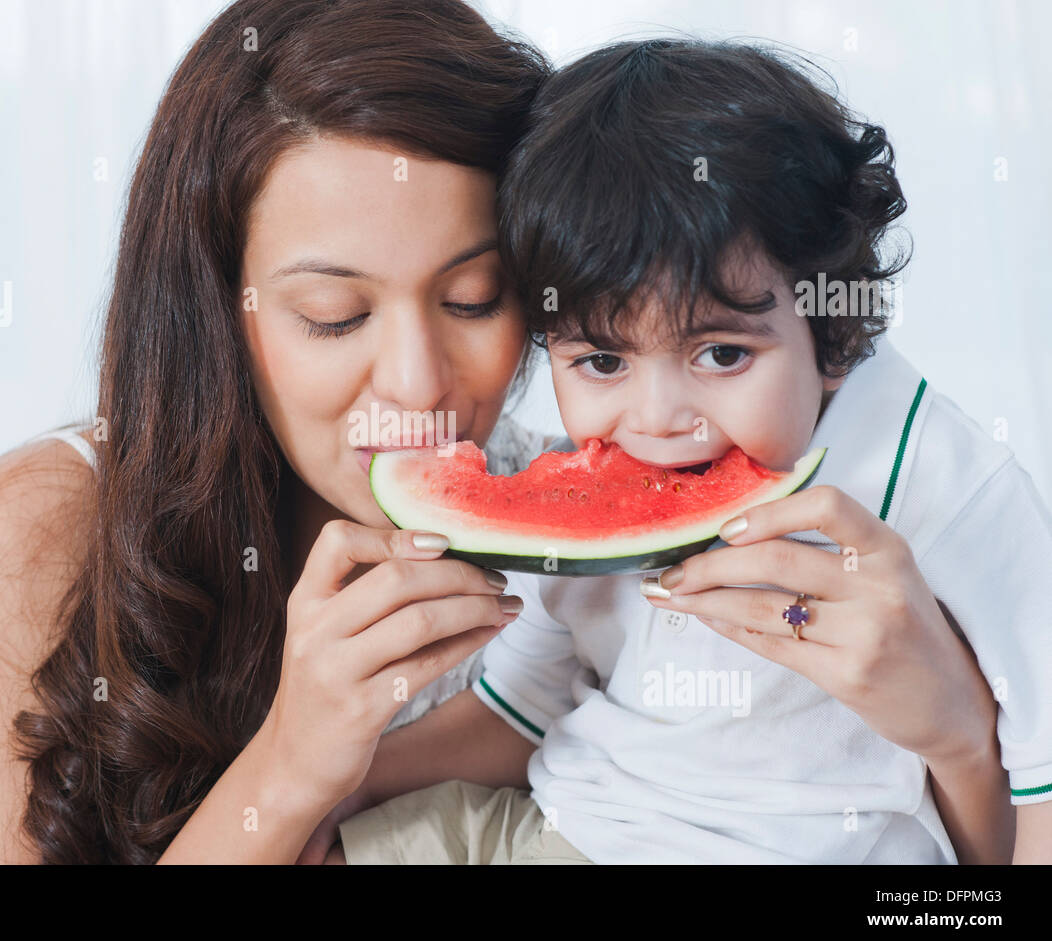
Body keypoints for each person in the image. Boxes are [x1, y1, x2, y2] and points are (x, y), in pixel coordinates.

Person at [0, 4, 1011, 864]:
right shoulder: (42, 524)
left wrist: (959, 734)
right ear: (219, 312)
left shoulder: (575, 524)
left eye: (475, 299)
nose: (414, 382)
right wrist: (296, 763)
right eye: (333, 316)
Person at [326, 39, 1047, 864]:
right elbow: (520, 707)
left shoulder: (937, 475)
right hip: (561, 829)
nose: (660, 419)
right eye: (602, 362)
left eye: (723, 354)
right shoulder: (570, 473)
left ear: (832, 332)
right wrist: (345, 782)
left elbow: (1044, 772)